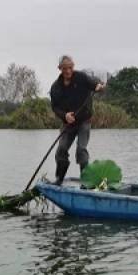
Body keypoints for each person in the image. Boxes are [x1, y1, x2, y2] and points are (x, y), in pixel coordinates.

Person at [50, 55, 105, 184]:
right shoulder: (55, 87)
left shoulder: (81, 77)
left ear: (73, 67)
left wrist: (99, 86)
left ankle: (85, 180)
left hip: (84, 121)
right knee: (61, 150)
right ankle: (59, 179)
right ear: (60, 69)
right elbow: (55, 107)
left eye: (70, 68)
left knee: (81, 149)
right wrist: (65, 116)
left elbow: (96, 84)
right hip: (68, 124)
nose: (68, 71)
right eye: (65, 68)